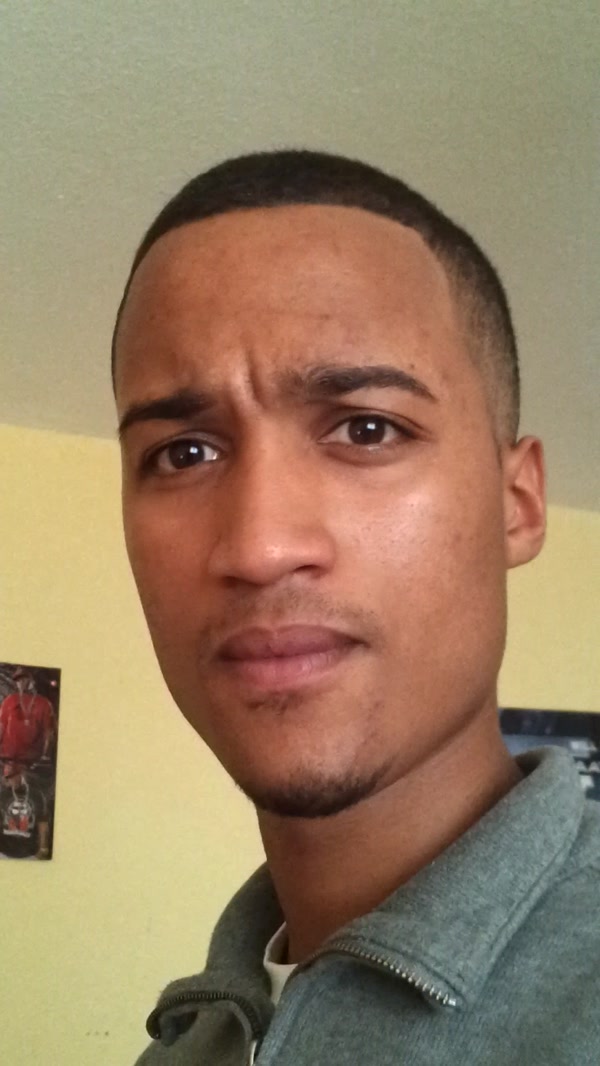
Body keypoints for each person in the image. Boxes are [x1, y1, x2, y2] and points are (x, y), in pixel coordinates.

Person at [112, 151, 600, 1064]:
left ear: (517, 503)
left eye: (367, 429)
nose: (259, 546)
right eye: (184, 453)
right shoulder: (185, 1044)